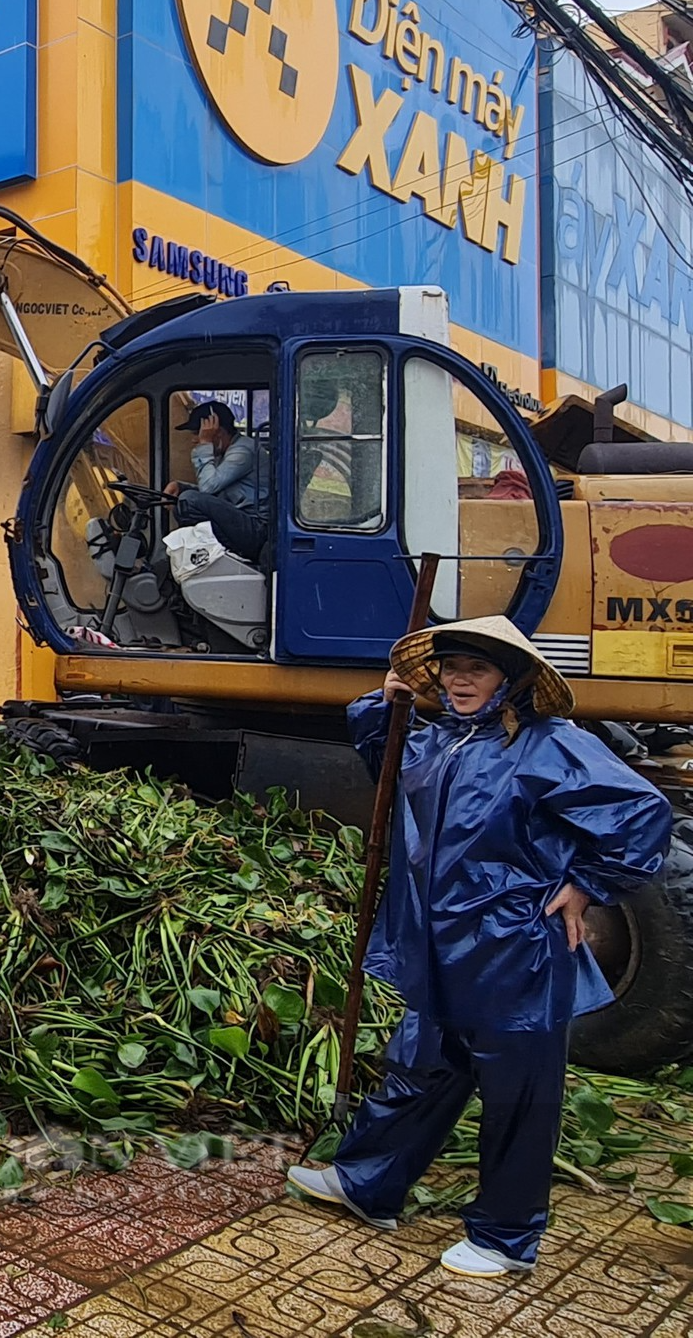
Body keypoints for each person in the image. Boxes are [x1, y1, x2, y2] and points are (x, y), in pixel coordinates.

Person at [288, 616, 669, 1278]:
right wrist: (386, 708)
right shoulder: (445, 740)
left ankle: (505, 1237)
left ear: (513, 680)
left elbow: (639, 814)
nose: (461, 681)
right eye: (453, 668)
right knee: (425, 1063)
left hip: (513, 943)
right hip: (445, 940)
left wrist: (584, 886)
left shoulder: (549, 746)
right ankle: (369, 1183)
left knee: (518, 1090)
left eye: (478, 670)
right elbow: (392, 776)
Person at [164, 400, 268, 562]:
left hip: (255, 528)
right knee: (184, 497)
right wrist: (181, 487)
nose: (194, 441)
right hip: (240, 520)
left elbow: (208, 487)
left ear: (217, 433)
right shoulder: (224, 453)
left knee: (188, 500)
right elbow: (216, 492)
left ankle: (228, 555)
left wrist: (205, 444)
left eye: (197, 434)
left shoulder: (243, 451)